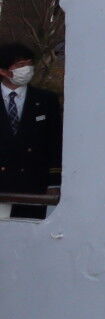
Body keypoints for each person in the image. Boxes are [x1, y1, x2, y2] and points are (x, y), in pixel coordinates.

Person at [0, 43, 62, 221]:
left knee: (28, 230)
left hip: (33, 184)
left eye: (29, 64)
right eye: (20, 65)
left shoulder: (46, 100)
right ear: (3, 71)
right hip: (2, 182)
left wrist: (54, 182)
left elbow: (55, 142)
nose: (27, 69)